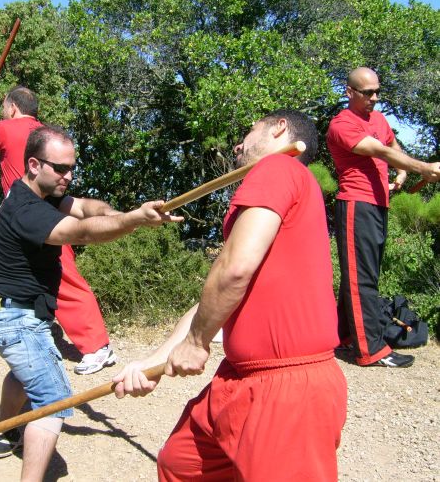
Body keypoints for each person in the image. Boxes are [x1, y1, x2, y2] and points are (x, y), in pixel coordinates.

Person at [113, 110, 348, 481]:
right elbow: (218, 297)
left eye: (249, 132)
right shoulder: (284, 185)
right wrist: (153, 362)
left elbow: (234, 269)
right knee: (181, 464)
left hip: (286, 389)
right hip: (237, 381)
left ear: (279, 129)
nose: (238, 144)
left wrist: (196, 342)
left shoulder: (277, 169)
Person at [0, 125, 182, 480]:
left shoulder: (39, 191)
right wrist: (134, 220)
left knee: (26, 373)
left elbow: (89, 209)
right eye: (60, 168)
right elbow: (81, 232)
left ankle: (2, 429)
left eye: (72, 168)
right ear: (34, 164)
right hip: (13, 319)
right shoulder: (27, 210)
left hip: (8, 312)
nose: (68, 176)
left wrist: (121, 214)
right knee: (53, 400)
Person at [0, 87, 117, 375]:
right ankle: (9, 331)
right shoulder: (40, 133)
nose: (3, 114)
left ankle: (97, 346)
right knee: (11, 273)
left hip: (38, 218)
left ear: (12, 108)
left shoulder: (6, 129)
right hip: (29, 219)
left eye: (4, 108)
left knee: (66, 279)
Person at [326, 67, 440, 368]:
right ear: (349, 92)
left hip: (378, 204)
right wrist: (422, 168)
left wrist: (402, 172)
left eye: (377, 91)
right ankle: (371, 350)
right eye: (367, 93)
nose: (374, 98)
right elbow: (378, 149)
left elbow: (390, 144)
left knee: (363, 275)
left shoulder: (377, 119)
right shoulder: (342, 124)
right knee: (361, 279)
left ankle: (343, 335)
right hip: (356, 204)